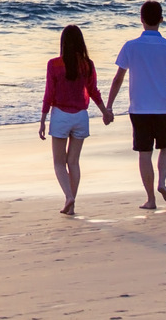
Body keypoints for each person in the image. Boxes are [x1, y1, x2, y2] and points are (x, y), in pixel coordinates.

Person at [106, 0, 166, 209]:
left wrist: (109, 106)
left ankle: (151, 199)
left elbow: (118, 79)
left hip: (139, 108)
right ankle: (162, 182)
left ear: (141, 19)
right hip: (163, 106)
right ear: (161, 19)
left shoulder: (130, 46)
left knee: (144, 153)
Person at [38, 24, 113, 216]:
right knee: (73, 162)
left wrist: (43, 119)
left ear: (63, 43)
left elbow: (49, 94)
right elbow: (93, 91)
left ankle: (68, 196)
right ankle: (71, 204)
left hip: (61, 115)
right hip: (81, 116)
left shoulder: (54, 64)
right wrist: (104, 111)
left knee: (58, 162)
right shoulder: (87, 65)